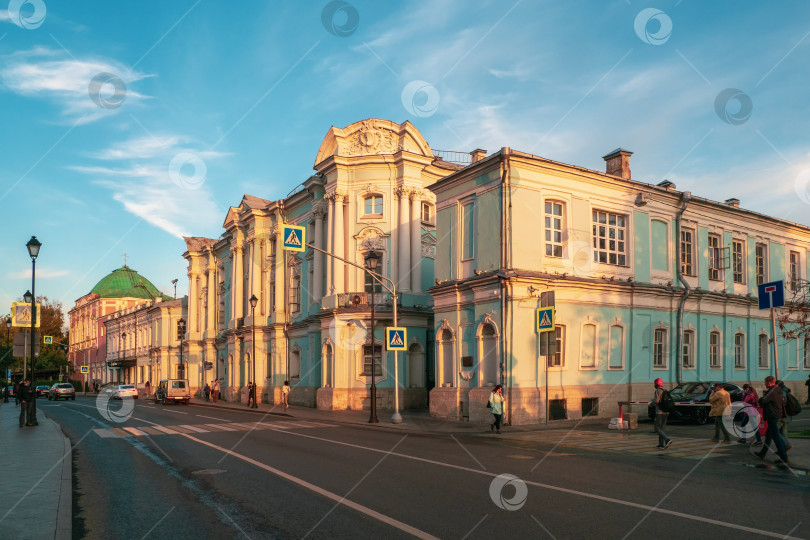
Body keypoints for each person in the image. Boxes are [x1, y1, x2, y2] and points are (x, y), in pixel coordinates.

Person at [756, 376, 789, 465]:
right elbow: (783, 402)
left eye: (766, 382)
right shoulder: (779, 390)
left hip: (772, 416)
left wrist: (760, 399)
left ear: (770, 382)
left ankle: (784, 457)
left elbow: (764, 401)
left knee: (776, 437)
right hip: (776, 414)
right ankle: (762, 453)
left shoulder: (771, 391)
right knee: (768, 436)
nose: (765, 384)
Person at [652, 378, 672, 449]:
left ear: (656, 384)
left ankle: (667, 440)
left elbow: (657, 401)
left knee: (657, 428)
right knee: (662, 428)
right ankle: (661, 444)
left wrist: (652, 403)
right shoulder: (665, 391)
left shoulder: (658, 391)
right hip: (666, 412)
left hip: (659, 412)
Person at [777, 380, 793, 455]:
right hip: (787, 415)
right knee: (783, 433)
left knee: (775, 431)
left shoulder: (782, 391)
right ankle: (783, 449)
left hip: (783, 415)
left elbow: (783, 402)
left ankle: (786, 446)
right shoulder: (786, 390)